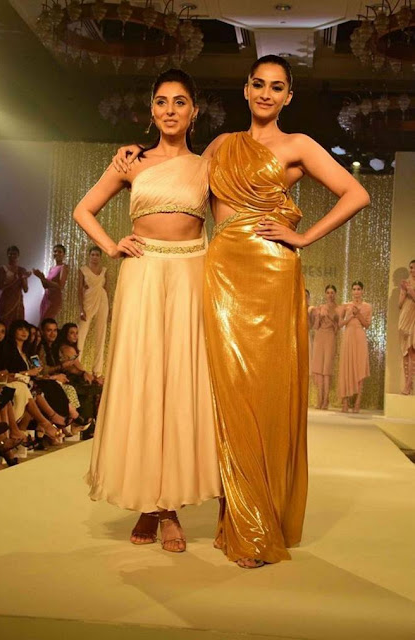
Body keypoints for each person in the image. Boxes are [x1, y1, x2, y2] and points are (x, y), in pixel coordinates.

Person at [113, 56, 370, 568]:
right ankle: (227, 509)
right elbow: (176, 173)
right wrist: (131, 155)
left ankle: (255, 522)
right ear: (246, 89)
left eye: (277, 87)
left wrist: (303, 236)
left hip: (271, 272)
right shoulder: (219, 146)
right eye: (258, 84)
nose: (266, 93)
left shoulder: (298, 145)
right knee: (225, 393)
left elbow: (356, 193)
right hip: (221, 272)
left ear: (289, 96)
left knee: (264, 393)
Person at [73, 68, 221, 553]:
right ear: (151, 110)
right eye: (162, 101)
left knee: (179, 386)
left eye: (180, 101)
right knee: (142, 383)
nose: (170, 110)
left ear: (194, 111)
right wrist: (111, 246)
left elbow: (231, 221)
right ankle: (148, 504)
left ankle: (170, 506)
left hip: (191, 274)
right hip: (142, 273)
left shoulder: (207, 166)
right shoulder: (131, 161)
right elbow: (83, 210)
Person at [338, 281, 372, 412]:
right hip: (348, 336)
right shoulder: (346, 305)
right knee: (347, 367)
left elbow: (367, 325)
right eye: (354, 289)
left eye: (358, 289)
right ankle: (345, 402)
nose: (356, 291)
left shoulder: (367, 306)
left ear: (362, 291)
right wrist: (350, 316)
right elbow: (340, 324)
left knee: (360, 367)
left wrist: (358, 314)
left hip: (360, 337)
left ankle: (358, 403)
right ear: (351, 291)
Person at [77, 246, 109, 377]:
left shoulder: (104, 270)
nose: (95, 257)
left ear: (100, 257)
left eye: (97, 255)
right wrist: (81, 309)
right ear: (89, 256)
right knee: (81, 334)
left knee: (101, 334)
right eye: (93, 255)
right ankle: (76, 366)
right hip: (88, 300)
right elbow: (79, 289)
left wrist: (109, 308)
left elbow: (106, 288)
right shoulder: (83, 270)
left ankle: (97, 371)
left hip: (102, 299)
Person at [312, 285, 339, 409]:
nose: (330, 295)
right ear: (325, 294)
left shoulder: (338, 309)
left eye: (332, 292)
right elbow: (315, 326)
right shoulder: (320, 307)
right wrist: (319, 317)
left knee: (326, 370)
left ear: (335, 294)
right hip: (319, 337)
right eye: (328, 292)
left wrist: (330, 318)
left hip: (330, 337)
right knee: (318, 370)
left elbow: (337, 328)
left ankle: (326, 400)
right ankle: (319, 398)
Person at [0, 246, 31, 328]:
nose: (12, 256)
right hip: (6, 301)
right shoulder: (2, 269)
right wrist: (17, 279)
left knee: (18, 326)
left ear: (18, 255)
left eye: (14, 254)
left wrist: (23, 278)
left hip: (18, 301)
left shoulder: (22, 270)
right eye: (10, 254)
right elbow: (1, 287)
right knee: (5, 325)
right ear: (7, 255)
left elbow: (25, 289)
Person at [34, 244, 69, 322]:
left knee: (46, 322)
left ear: (64, 255)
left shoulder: (63, 267)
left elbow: (61, 286)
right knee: (42, 321)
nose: (57, 253)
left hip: (54, 299)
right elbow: (45, 286)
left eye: (60, 252)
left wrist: (44, 279)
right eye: (55, 251)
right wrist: (40, 277)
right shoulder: (52, 268)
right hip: (46, 297)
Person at [398, 259, 415, 395]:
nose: (412, 270)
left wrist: (410, 291)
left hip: (414, 318)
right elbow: (399, 304)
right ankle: (408, 383)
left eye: (414, 268)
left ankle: (408, 385)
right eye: (411, 267)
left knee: (412, 350)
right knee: (405, 352)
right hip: (404, 317)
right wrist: (404, 291)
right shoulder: (406, 283)